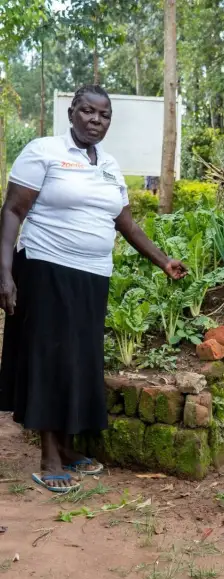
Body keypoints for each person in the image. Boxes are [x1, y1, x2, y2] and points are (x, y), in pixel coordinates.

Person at [0, 85, 187, 493]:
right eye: (87, 111)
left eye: (103, 115)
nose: (95, 120)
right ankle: (49, 457)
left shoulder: (109, 165)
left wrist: (163, 261)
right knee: (50, 360)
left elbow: (127, 224)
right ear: (72, 113)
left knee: (79, 361)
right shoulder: (44, 151)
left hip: (92, 276)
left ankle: (67, 450)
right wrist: (5, 271)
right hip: (47, 270)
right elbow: (13, 210)